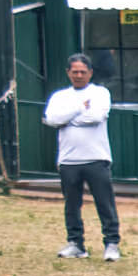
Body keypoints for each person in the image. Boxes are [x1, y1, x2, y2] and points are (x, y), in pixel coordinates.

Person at [43, 54, 120, 262]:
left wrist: (67, 120)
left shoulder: (100, 93)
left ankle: (112, 243)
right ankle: (76, 243)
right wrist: (78, 109)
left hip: (96, 158)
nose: (78, 75)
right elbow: (51, 119)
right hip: (68, 160)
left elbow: (95, 117)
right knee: (71, 204)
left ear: (90, 73)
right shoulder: (59, 96)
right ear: (68, 72)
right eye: (75, 72)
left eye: (83, 72)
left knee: (104, 203)